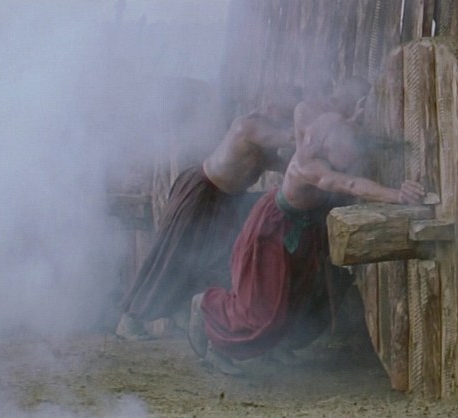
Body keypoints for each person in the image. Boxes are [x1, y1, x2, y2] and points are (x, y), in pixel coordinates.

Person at [188, 112, 425, 375]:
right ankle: (208, 312)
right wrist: (397, 195)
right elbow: (350, 183)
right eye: (344, 145)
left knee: (293, 297)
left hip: (300, 230)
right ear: (325, 144)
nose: (352, 152)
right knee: (260, 309)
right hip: (272, 232)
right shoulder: (308, 166)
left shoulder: (330, 140)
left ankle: (273, 348)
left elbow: (346, 134)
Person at [115, 87, 301, 340]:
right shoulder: (249, 126)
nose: (286, 119)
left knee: (209, 261)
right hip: (201, 194)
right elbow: (291, 137)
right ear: (271, 106)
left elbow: (291, 167)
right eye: (286, 112)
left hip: (226, 203)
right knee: (171, 256)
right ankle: (131, 319)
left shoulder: (265, 141)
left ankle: (182, 311)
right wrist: (329, 131)